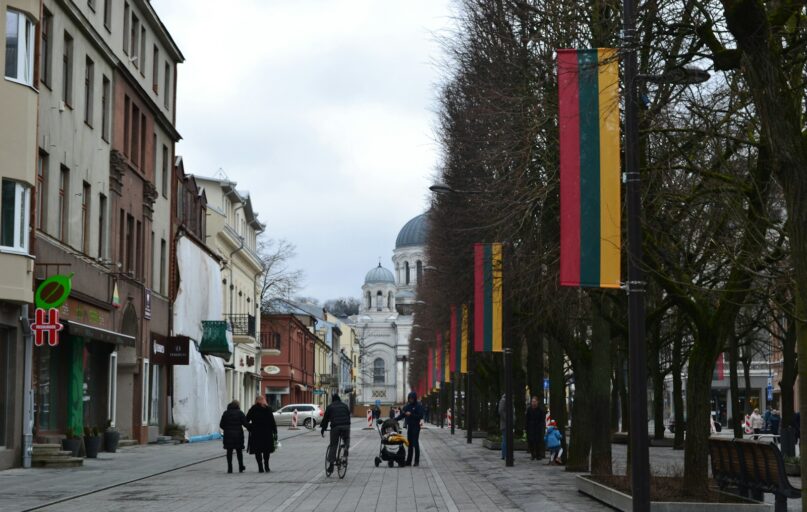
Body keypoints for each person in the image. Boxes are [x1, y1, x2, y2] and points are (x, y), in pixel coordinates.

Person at [321, 393, 352, 474]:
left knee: (333, 445)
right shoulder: (345, 406)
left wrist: (323, 429)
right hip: (346, 426)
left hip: (335, 427)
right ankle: (346, 448)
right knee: (346, 439)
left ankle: (331, 466)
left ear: (333, 399)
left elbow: (325, 419)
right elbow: (348, 416)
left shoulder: (330, 407)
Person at [246, 395, 278, 473]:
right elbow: (272, 421)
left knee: (258, 451)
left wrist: (250, 427)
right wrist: (275, 431)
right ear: (263, 400)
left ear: (256, 401)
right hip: (267, 433)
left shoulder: (253, 409)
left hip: (256, 433)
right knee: (266, 450)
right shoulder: (268, 409)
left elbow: (246, 420)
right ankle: (266, 466)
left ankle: (260, 467)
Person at [396, 391, 424, 466]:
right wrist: (395, 419)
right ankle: (408, 461)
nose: (411, 400)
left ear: (414, 398)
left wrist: (411, 414)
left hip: (416, 427)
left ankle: (416, 461)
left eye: (412, 398)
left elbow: (420, 416)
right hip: (410, 427)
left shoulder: (418, 406)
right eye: (409, 398)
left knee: (415, 443)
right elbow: (402, 415)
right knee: (409, 444)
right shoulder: (408, 406)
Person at [220, 400, 248, 473]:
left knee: (229, 451)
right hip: (238, 435)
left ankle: (230, 468)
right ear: (237, 405)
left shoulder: (226, 413)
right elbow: (245, 423)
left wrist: (227, 429)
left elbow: (221, 425)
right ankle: (241, 467)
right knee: (239, 451)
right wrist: (252, 428)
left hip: (228, 435)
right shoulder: (240, 413)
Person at [525, 396, 545, 461]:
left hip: (538, 428)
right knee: (531, 442)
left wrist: (541, 427)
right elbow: (527, 419)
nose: (533, 403)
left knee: (538, 442)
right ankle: (533, 455)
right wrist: (526, 427)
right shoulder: (529, 409)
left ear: (537, 402)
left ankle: (538, 455)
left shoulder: (540, 410)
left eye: (535, 401)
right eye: (532, 402)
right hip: (530, 428)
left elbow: (542, 420)